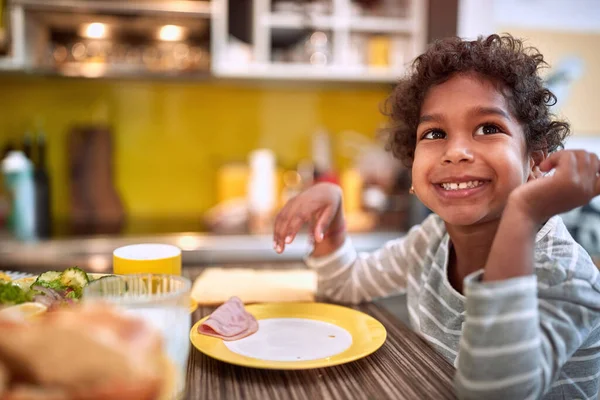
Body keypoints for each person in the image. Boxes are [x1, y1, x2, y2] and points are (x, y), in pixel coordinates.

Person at [273, 34, 600, 400]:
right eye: (435, 133)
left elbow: (493, 393)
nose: (455, 151)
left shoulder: (565, 274)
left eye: (489, 128)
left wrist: (522, 216)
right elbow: (346, 286)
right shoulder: (432, 239)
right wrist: (332, 220)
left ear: (535, 163)